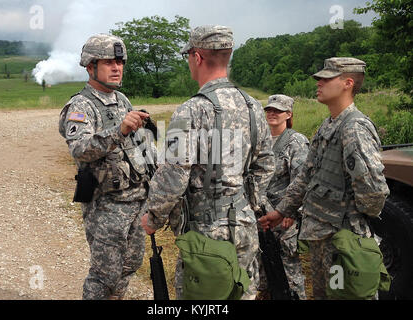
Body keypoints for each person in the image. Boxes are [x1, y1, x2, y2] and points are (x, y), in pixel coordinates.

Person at [141, 25, 275, 300]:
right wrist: (250, 204)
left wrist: (153, 217)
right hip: (244, 226)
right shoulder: (253, 107)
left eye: (188, 56)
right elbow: (265, 164)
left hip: (205, 234)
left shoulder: (190, 110)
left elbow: (174, 175)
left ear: (197, 57)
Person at [259, 57, 390, 300]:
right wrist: (281, 212)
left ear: (347, 83)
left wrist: (351, 222)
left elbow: (374, 192)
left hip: (343, 241)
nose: (318, 82)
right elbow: (306, 176)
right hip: (323, 238)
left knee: (344, 296)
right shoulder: (327, 126)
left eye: (326, 78)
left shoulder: (354, 127)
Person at [58, 34, 155, 300]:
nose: (117, 68)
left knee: (130, 264)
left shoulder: (122, 100)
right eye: (109, 62)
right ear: (91, 67)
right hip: (106, 203)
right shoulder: (81, 105)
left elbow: (138, 146)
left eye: (120, 62)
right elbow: (80, 149)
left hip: (136, 199)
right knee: (104, 274)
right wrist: (120, 130)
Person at [258, 94, 309, 300]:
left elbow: (302, 181)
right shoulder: (259, 140)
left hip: (284, 216)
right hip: (260, 215)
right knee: (262, 270)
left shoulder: (295, 142)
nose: (272, 113)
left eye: (278, 110)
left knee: (289, 271)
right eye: (269, 109)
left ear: (288, 114)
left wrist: (292, 212)